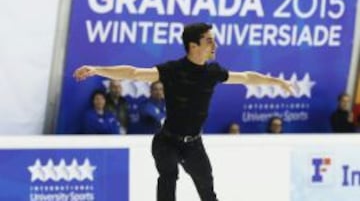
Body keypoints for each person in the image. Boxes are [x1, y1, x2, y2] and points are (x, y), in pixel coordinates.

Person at [73, 23, 293, 201]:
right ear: (193, 45)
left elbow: (246, 77)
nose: (214, 45)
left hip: (194, 143)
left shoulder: (213, 72)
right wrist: (96, 69)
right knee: (168, 179)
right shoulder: (172, 70)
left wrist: (276, 81)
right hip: (166, 141)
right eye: (209, 40)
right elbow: (133, 73)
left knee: (208, 191)